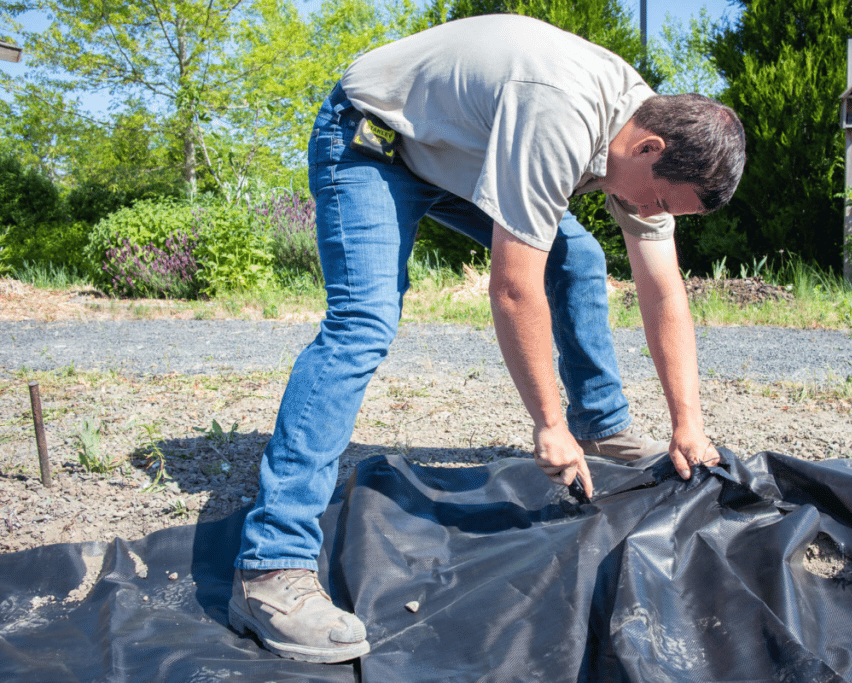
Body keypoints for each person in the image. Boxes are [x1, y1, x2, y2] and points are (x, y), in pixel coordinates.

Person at [228, 14, 745, 664]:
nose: (658, 216)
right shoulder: (564, 112)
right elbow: (512, 287)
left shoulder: (645, 131)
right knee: (362, 322)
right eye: (665, 204)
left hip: (455, 158)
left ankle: (602, 425)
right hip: (374, 140)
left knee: (577, 260)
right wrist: (545, 423)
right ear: (647, 151)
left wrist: (688, 423)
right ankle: (270, 564)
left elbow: (663, 289)